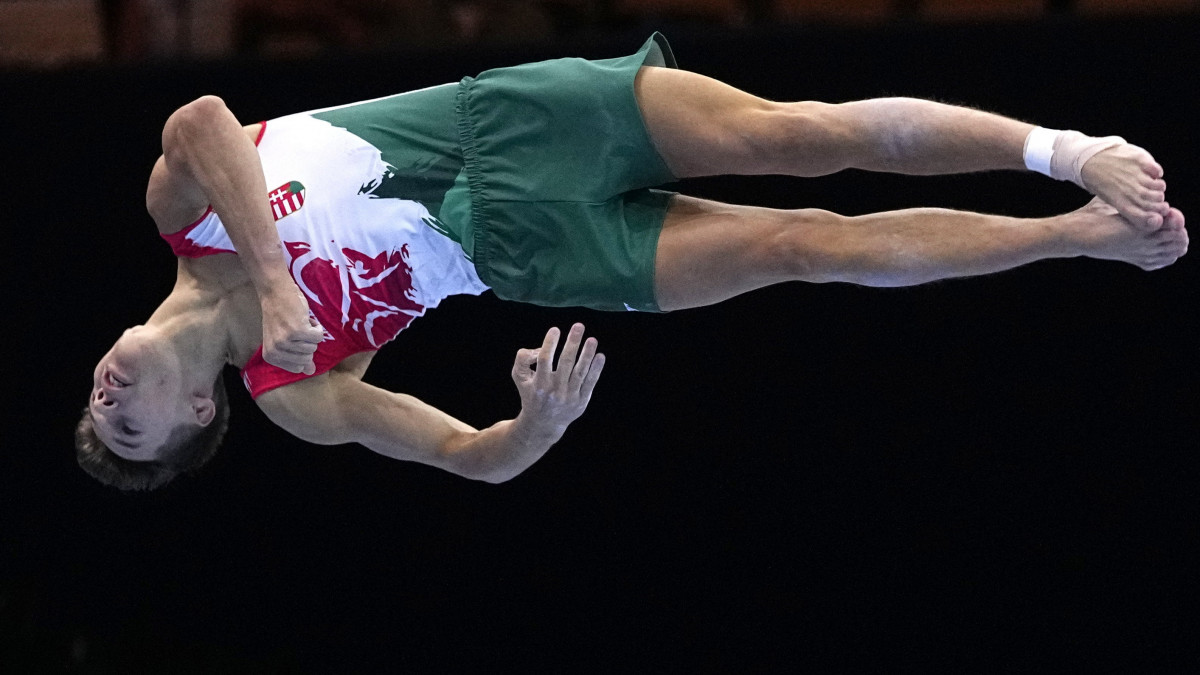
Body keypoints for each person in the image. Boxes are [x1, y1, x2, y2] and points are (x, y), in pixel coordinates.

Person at [77, 34, 1187, 490]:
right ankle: (1078, 235)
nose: (109, 396)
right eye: (126, 426)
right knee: (803, 246)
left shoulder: (183, 215)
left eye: (93, 400)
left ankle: (1065, 150)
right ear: (196, 417)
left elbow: (202, 119)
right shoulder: (293, 394)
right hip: (527, 252)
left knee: (797, 135)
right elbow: (470, 458)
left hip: (504, 123)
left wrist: (278, 284)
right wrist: (537, 425)